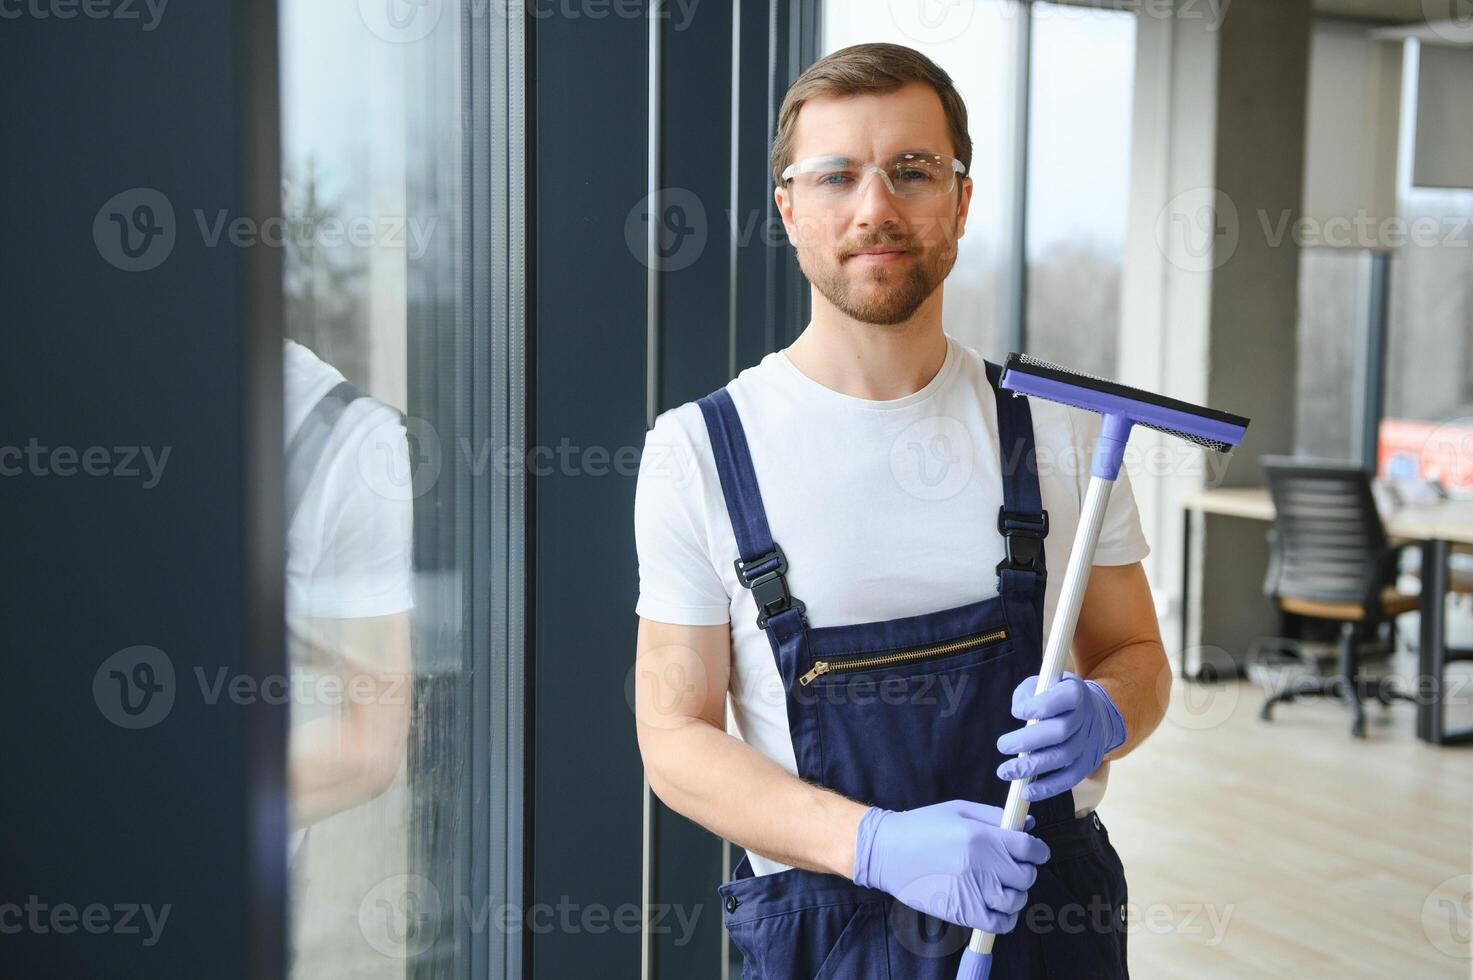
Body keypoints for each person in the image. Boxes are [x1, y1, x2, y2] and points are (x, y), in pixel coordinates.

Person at [632, 42, 1166, 978]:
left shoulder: (1062, 432)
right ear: (788, 209)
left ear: (959, 201)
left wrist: (1108, 712)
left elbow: (1137, 658)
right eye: (836, 175)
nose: (875, 207)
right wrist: (873, 844)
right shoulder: (700, 452)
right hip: (824, 932)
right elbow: (673, 738)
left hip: (1051, 918)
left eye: (912, 171)